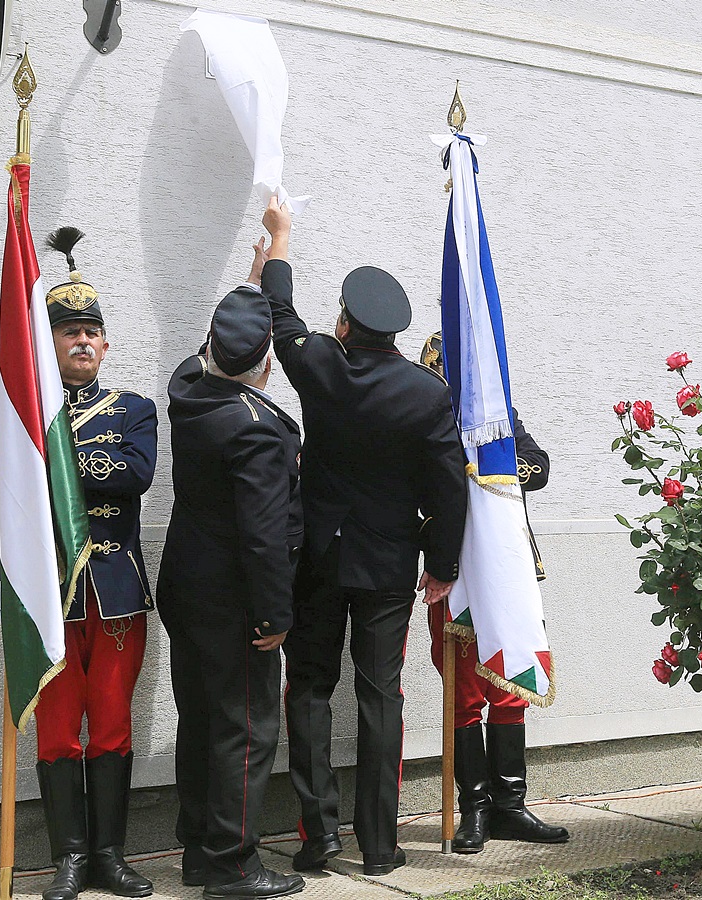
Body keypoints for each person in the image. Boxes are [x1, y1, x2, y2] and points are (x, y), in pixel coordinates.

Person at [259, 198, 469, 877]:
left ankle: (318, 838)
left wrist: (280, 236)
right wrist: (441, 565)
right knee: (381, 695)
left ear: (346, 324)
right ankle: (379, 846)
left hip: (319, 556)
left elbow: (280, 314)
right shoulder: (425, 393)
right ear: (393, 335)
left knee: (310, 689)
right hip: (386, 564)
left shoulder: (321, 364)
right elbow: (448, 487)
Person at [0, 227, 157, 900]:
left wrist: (49, 461)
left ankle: (110, 855)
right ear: (46, 344)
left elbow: (132, 473)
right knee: (54, 729)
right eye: (66, 330)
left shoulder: (134, 410)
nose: (80, 340)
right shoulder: (16, 423)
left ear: (105, 345)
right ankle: (69, 859)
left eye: (90, 332)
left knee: (109, 721)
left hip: (113, 597)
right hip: (46, 600)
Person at [157, 246, 305, 899]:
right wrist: (274, 615)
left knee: (200, 721)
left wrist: (256, 270)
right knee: (244, 729)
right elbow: (264, 535)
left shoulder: (188, 387)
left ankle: (200, 850)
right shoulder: (258, 429)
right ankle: (234, 865)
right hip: (235, 600)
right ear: (267, 367)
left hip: (185, 588)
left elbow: (214, 347)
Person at [419, 333, 570, 854]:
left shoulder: (500, 419)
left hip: (503, 576)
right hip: (452, 574)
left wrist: (490, 469)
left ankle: (509, 806)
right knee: (463, 696)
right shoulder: (421, 417)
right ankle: (475, 810)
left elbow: (538, 466)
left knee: (511, 684)